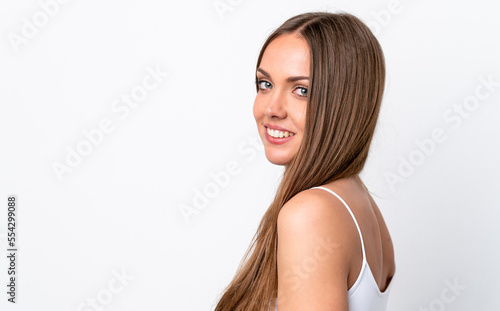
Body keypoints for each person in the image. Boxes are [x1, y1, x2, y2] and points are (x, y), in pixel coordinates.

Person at [214, 11, 395, 311]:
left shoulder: (311, 213)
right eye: (265, 84)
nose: (271, 108)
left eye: (301, 90)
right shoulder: (356, 198)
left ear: (343, 103)